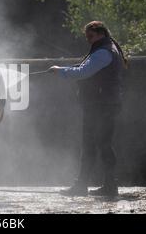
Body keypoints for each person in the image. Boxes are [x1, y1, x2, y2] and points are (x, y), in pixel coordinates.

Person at [50, 21, 128, 197]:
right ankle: (107, 185)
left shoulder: (103, 52)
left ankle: (84, 186)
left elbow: (82, 72)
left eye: (90, 36)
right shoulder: (108, 48)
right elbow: (83, 69)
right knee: (100, 145)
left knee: (94, 146)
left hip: (100, 105)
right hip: (104, 104)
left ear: (100, 33)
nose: (89, 40)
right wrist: (62, 70)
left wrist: (59, 71)